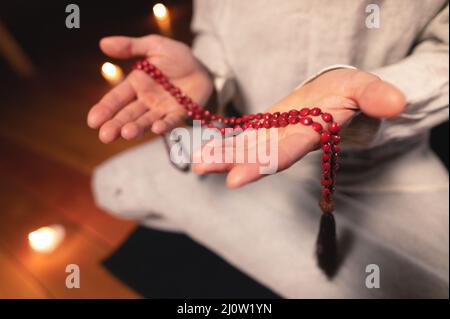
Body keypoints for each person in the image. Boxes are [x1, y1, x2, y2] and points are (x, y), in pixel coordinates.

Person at [87, 0, 449, 298]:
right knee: (111, 185)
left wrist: (375, 94)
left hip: (384, 170)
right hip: (250, 147)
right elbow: (215, 27)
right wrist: (205, 74)